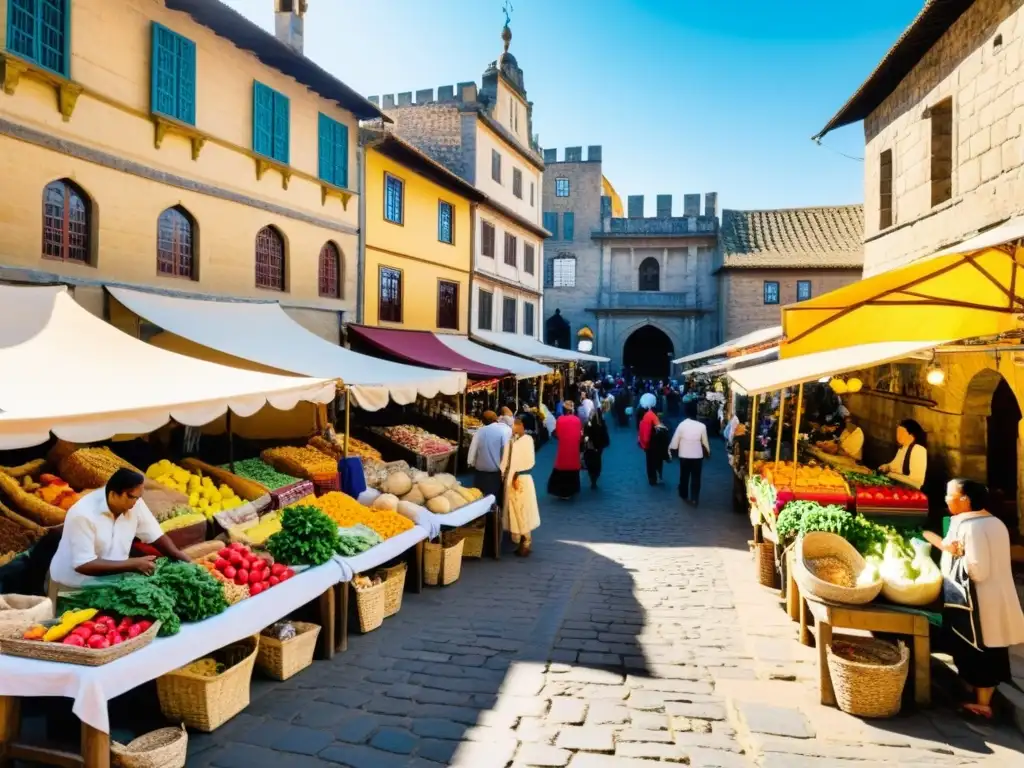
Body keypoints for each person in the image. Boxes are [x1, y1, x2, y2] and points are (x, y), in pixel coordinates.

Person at [923, 479, 1024, 720]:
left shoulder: (972, 527)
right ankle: (981, 697)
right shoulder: (994, 522)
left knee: (979, 650)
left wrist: (959, 553)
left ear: (965, 500)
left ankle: (982, 704)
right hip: (994, 599)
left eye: (950, 495)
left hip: (977, 604)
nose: (946, 499)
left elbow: (978, 569)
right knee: (992, 648)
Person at [48, 468, 191, 603]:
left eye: (138, 497)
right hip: (73, 586)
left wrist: (178, 555)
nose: (136, 503)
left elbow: (154, 534)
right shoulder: (82, 514)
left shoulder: (135, 503)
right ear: (113, 494)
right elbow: (83, 564)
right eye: (132, 497)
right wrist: (133, 564)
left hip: (111, 580)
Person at [501, 417, 541, 556]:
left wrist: (516, 475)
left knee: (521, 510)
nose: (513, 426)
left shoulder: (525, 440)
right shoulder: (515, 440)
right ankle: (519, 539)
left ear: (521, 425)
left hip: (519, 479)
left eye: (516, 424)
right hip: (514, 478)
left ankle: (525, 541)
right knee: (515, 509)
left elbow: (526, 461)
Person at [669, 399, 711, 505]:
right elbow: (705, 442)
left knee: (684, 475)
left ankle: (684, 494)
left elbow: (675, 441)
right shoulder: (702, 426)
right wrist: (708, 453)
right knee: (696, 477)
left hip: (684, 454)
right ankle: (695, 497)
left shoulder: (682, 425)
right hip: (697, 455)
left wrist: (671, 449)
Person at [467, 410, 513, 504]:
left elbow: (472, 451)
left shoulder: (479, 432)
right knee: (495, 500)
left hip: (480, 473)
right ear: (496, 419)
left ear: (483, 421)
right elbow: (505, 451)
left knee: (479, 498)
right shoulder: (503, 431)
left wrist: (470, 462)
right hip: (495, 473)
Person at [548, 400, 583, 499]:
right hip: (574, 449)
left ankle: (562, 492)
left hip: (563, 448)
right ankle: (572, 490)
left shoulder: (560, 420)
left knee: (561, 467)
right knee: (572, 467)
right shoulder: (577, 420)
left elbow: (557, 434)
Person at [879, 419, 927, 488]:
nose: (898, 436)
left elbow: (916, 480)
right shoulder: (902, 448)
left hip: (910, 489)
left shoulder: (918, 449)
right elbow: (894, 465)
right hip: (897, 484)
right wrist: (887, 467)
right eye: (897, 433)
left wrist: (892, 474)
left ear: (911, 436)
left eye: (902, 433)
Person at [638, 404, 668, 485]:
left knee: (649, 461)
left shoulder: (645, 417)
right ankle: (657, 475)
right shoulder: (655, 418)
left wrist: (643, 443)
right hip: (655, 443)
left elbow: (642, 432)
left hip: (649, 443)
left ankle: (652, 478)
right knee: (657, 460)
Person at [582, 407, 611, 489]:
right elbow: (605, 434)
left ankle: (592, 478)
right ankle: (594, 478)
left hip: (590, 447)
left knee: (590, 463)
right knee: (597, 462)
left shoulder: (588, 423)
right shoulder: (601, 423)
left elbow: (585, 434)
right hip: (598, 447)